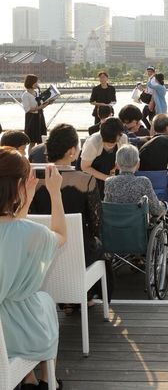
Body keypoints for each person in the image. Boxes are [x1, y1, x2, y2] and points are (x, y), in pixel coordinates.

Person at [0, 149, 66, 390]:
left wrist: (25, 198)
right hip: (20, 333)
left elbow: (11, 228)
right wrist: (55, 193)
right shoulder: (31, 233)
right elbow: (60, 235)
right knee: (44, 302)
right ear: (19, 184)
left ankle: (28, 378)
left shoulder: (23, 231)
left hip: (3, 331)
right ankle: (48, 380)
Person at [30, 123, 111, 306]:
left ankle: (64, 300)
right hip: (79, 253)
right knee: (98, 247)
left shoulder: (34, 181)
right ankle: (84, 296)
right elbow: (96, 223)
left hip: (44, 251)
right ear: (71, 151)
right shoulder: (86, 180)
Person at [104, 145, 166, 217]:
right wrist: (164, 205)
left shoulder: (109, 182)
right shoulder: (143, 182)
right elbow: (156, 210)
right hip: (137, 223)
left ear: (116, 164)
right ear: (138, 164)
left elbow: (107, 208)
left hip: (116, 222)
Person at [80, 117, 128, 195]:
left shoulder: (123, 139)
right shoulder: (93, 142)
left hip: (110, 174)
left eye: (113, 142)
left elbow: (122, 160)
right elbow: (85, 167)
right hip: (91, 175)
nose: (110, 144)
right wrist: (107, 178)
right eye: (107, 141)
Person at [22, 74, 51, 148]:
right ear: (31, 83)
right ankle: (31, 155)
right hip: (32, 118)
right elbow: (27, 109)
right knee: (32, 142)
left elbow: (40, 105)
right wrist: (39, 107)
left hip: (40, 117)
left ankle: (40, 154)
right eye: (35, 82)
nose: (37, 84)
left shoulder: (37, 92)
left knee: (41, 140)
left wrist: (48, 103)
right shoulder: (25, 95)